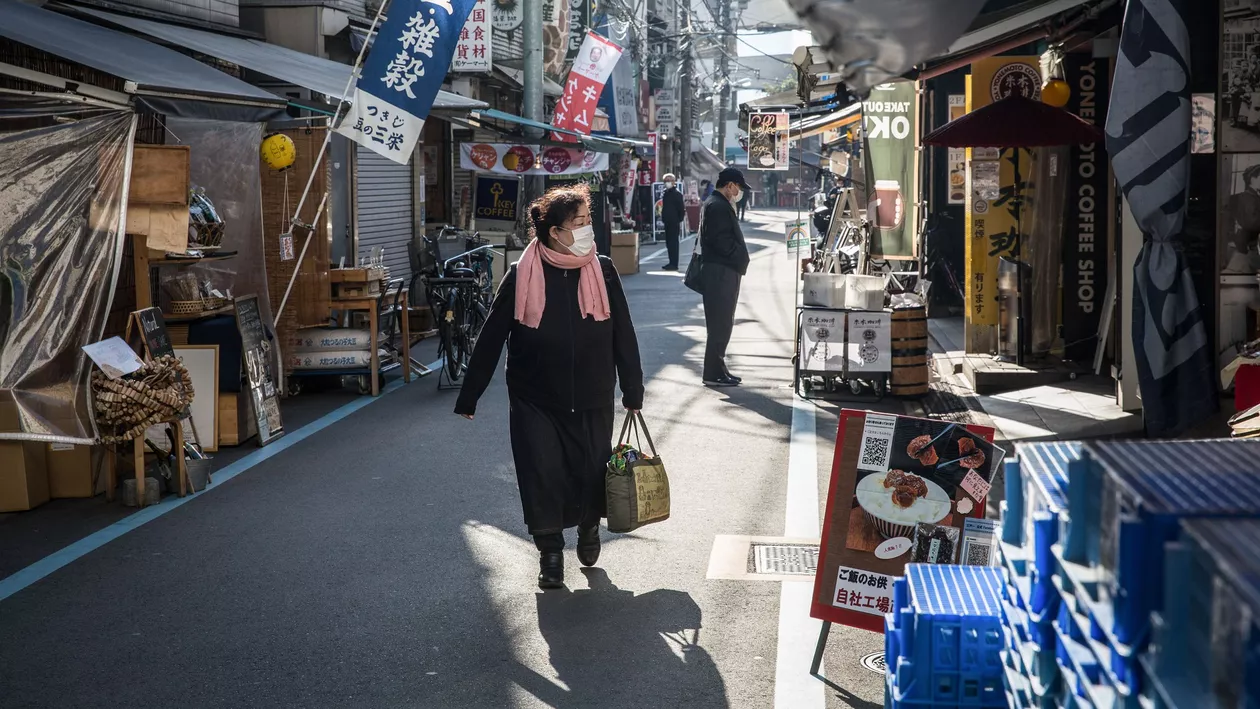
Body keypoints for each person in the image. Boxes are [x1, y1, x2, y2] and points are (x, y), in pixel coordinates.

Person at [456, 184, 645, 590]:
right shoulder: (522, 273)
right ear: (555, 231)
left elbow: (622, 333)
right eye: (579, 222)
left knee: (590, 469)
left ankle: (590, 529)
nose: (587, 229)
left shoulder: (604, 269)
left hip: (593, 393)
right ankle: (550, 553)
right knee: (542, 471)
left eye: (588, 220)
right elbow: (492, 337)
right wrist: (470, 394)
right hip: (534, 396)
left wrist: (633, 389)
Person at [698, 167, 750, 387]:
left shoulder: (716, 203)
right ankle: (713, 372)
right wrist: (738, 256)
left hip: (721, 270)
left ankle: (718, 368)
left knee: (721, 323)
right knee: (720, 323)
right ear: (730, 185)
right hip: (720, 271)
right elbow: (719, 240)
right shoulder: (718, 205)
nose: (738, 192)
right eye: (737, 187)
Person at [660, 173, 685, 271]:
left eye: (670, 180)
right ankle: (671, 262)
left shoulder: (677, 194)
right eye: (666, 181)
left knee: (673, 243)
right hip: (667, 221)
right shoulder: (666, 193)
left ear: (674, 182)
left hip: (674, 221)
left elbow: (681, 208)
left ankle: (674, 264)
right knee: (668, 242)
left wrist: (679, 219)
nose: (668, 182)